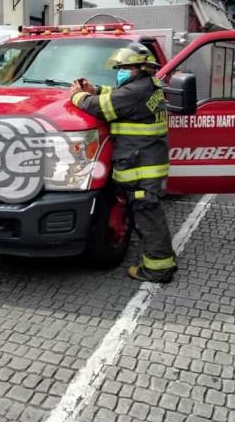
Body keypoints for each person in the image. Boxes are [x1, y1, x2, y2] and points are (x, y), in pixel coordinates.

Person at [69, 43, 176, 283]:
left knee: (147, 218)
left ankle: (158, 269)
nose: (120, 71)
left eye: (124, 67)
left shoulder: (136, 92)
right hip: (148, 164)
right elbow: (118, 96)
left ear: (140, 67)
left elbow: (99, 106)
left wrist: (78, 96)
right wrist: (95, 88)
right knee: (151, 215)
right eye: (119, 67)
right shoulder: (148, 86)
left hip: (141, 168)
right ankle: (165, 259)